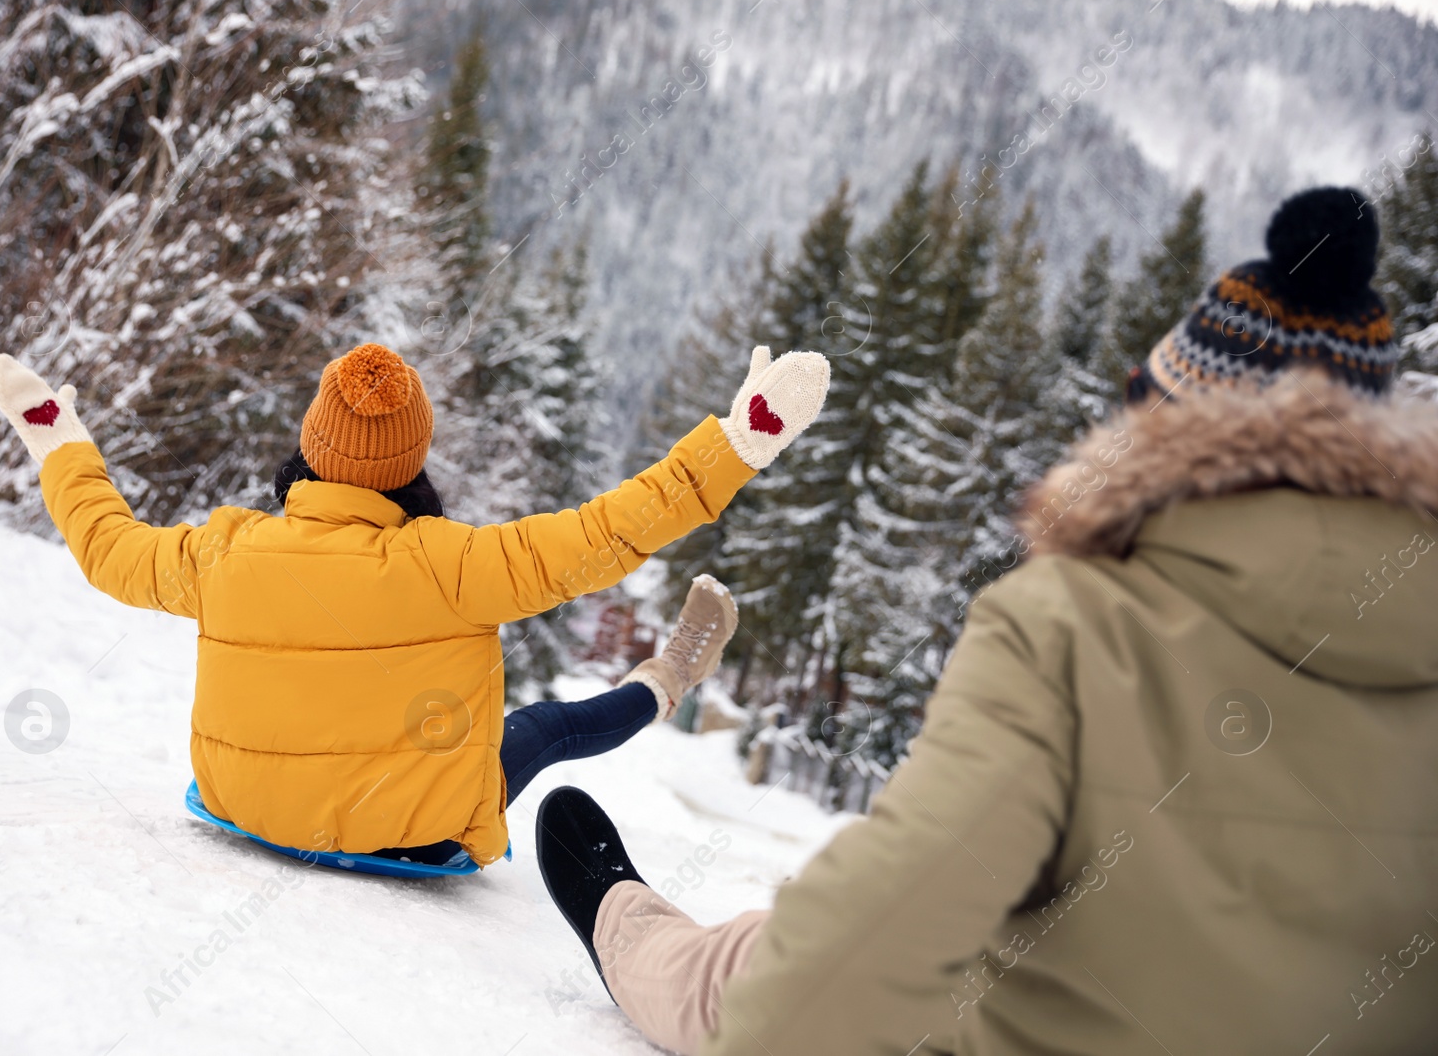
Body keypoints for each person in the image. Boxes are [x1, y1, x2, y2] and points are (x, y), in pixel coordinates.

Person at [538, 186, 1438, 1054]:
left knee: (836, 961)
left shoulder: (1074, 625)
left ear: (1158, 435)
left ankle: (630, 917)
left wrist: (656, 944)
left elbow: (856, 954)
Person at [0, 341, 830, 867]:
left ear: (309, 448)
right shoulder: (456, 563)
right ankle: (667, 676)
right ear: (413, 463)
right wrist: (736, 442)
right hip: (411, 836)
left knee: (522, 727)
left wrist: (60, 438)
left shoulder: (226, 549)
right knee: (546, 728)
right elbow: (607, 535)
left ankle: (667, 671)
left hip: (241, 807)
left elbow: (107, 547)